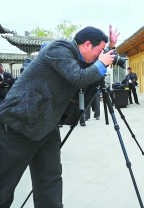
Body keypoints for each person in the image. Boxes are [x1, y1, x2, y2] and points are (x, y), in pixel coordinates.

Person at [0, 25, 119, 207]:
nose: (100, 55)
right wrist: (102, 63)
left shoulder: (78, 59)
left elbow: (88, 71)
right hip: (19, 123)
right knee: (5, 183)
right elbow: (78, 77)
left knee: (50, 181)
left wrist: (111, 47)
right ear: (87, 44)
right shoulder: (60, 48)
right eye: (100, 50)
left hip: (47, 126)